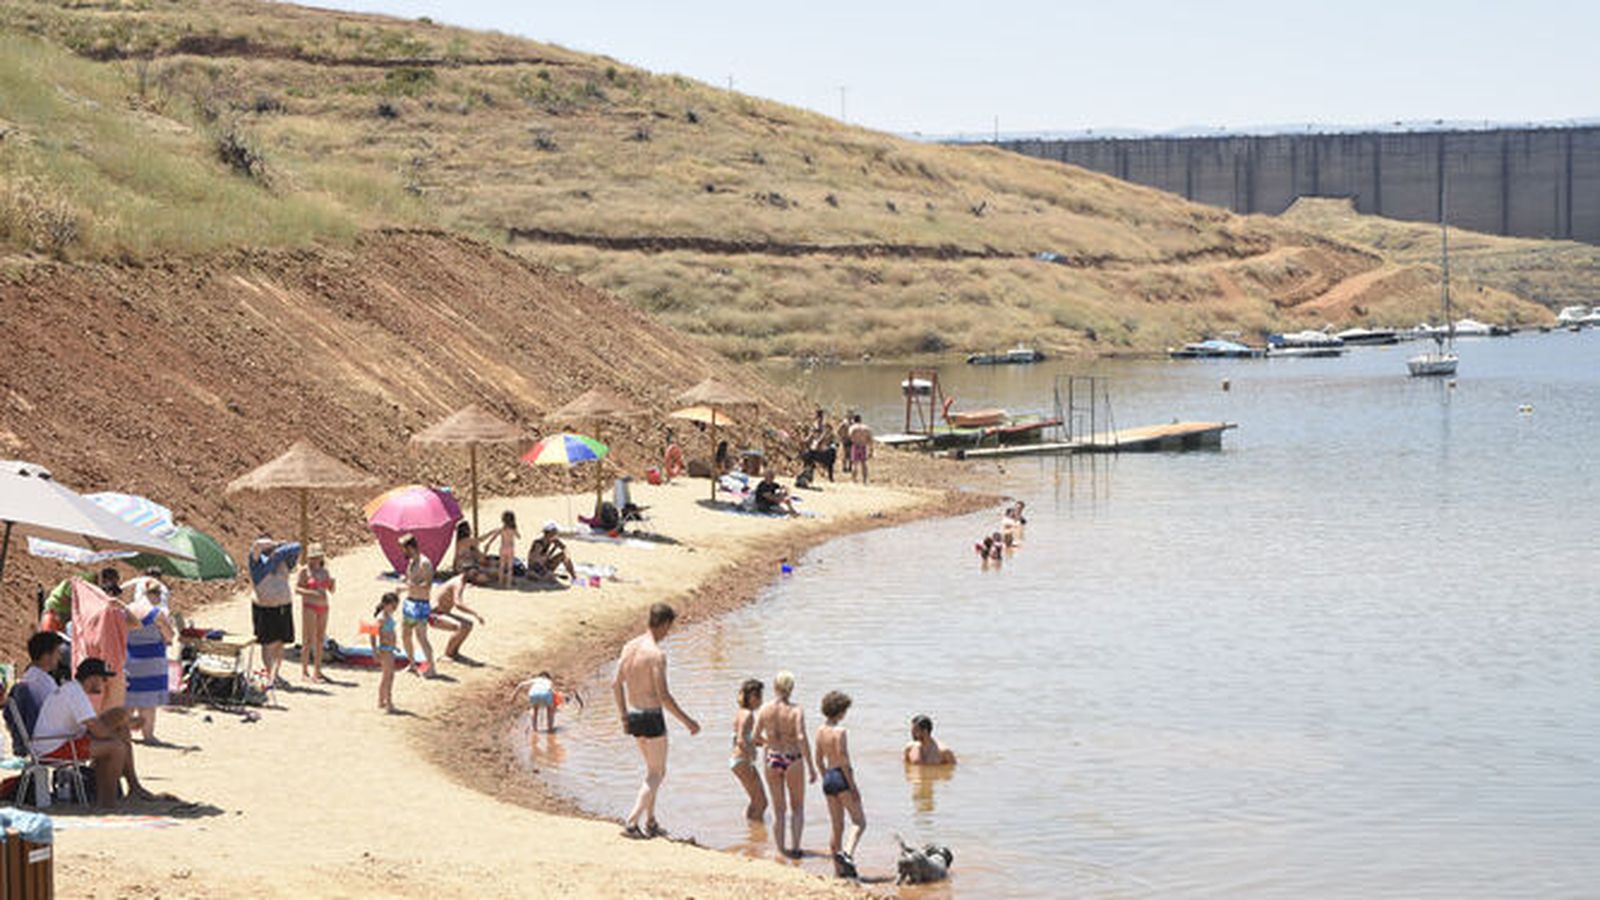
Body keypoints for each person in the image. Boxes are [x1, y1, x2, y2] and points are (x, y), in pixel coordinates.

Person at [611, 603, 700, 839]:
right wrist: (688, 721)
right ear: (664, 624)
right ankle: (632, 822)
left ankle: (650, 821)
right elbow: (664, 696)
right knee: (656, 773)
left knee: (654, 769)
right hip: (651, 717)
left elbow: (616, 683)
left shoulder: (630, 647)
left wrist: (623, 716)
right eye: (669, 628)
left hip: (633, 714)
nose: (668, 634)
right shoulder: (656, 655)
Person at [33, 658, 158, 809]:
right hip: (54, 747)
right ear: (92, 678)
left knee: (119, 719)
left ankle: (134, 787)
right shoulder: (75, 693)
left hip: (59, 741)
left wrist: (124, 725)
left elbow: (95, 725)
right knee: (117, 748)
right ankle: (107, 802)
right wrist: (120, 738)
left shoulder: (73, 689)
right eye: (103, 679)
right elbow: (98, 730)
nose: (105, 683)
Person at [754, 671, 816, 859]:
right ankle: (796, 848)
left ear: (775, 687)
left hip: (773, 758)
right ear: (791, 688)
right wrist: (812, 766)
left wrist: (769, 744)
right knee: (797, 807)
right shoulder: (796, 710)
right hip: (793, 757)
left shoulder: (765, 709)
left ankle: (781, 850)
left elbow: (755, 736)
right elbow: (801, 736)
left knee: (778, 809)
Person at [816, 690, 866, 878]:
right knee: (859, 821)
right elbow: (844, 759)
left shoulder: (820, 730)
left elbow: (818, 760)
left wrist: (825, 778)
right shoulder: (840, 731)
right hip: (840, 776)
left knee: (837, 826)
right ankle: (847, 853)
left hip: (828, 777)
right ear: (840, 711)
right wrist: (852, 786)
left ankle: (838, 873)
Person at [124, 579, 175, 743]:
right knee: (148, 702)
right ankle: (148, 735)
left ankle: (125, 733)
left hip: (129, 658)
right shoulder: (157, 613)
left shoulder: (127, 610)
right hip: (151, 660)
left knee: (129, 700)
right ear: (156, 594)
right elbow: (170, 636)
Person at [247, 535, 301, 687]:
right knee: (268, 643)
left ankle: (276, 674)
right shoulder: (258, 564)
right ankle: (269, 673)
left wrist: (278, 550)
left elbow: (297, 546)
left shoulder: (283, 560)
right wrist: (274, 545)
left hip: (283, 606)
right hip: (265, 608)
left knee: (280, 643)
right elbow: (256, 545)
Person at [295, 543, 335, 683]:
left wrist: (331, 583)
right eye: (313, 557)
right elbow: (297, 589)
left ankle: (317, 671)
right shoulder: (304, 571)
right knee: (307, 639)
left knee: (319, 640)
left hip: (323, 606)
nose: (315, 560)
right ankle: (304, 671)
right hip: (309, 606)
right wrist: (312, 593)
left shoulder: (325, 571)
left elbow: (331, 590)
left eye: (318, 557)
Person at [729, 678, 768, 822]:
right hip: (743, 761)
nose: (761, 700)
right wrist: (750, 755)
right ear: (752, 697)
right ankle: (756, 832)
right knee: (761, 802)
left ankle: (752, 831)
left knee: (756, 801)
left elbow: (746, 737)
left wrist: (763, 743)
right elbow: (740, 740)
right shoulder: (748, 715)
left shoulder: (741, 712)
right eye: (760, 696)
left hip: (738, 761)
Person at [398, 533, 436, 677]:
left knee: (421, 637)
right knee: (405, 635)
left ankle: (432, 667)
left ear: (410, 547)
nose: (402, 552)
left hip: (420, 604)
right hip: (410, 603)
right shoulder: (411, 563)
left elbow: (427, 585)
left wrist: (408, 585)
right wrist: (406, 582)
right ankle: (412, 664)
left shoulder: (424, 563)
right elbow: (411, 581)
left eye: (404, 548)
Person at [428, 573, 485, 661]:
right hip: (434, 616)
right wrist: (475, 614)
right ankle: (447, 654)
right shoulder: (458, 583)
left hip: (441, 614)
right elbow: (458, 604)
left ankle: (454, 653)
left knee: (468, 625)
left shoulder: (459, 580)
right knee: (461, 627)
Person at [513, 671, 578, 732]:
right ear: (547, 677)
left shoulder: (536, 680)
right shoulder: (548, 681)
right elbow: (553, 692)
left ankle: (535, 729)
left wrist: (514, 696)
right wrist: (563, 698)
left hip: (533, 694)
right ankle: (550, 728)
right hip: (546, 694)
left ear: (540, 676)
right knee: (550, 710)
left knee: (534, 709)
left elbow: (521, 684)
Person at [369, 592, 400, 712]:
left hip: (389, 649)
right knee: (389, 677)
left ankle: (381, 700)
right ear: (386, 605)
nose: (395, 609)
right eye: (393, 606)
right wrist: (374, 650)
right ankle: (389, 702)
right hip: (385, 650)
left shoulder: (388, 616)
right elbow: (372, 633)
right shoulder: (381, 618)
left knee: (386, 676)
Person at [451, 521, 496, 587]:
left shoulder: (465, 542)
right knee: (485, 577)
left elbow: (479, 556)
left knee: (492, 571)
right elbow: (480, 540)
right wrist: (492, 532)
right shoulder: (465, 541)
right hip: (463, 568)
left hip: (467, 566)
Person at [847, 415, 874, 484]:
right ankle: (864, 480)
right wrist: (871, 449)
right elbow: (870, 439)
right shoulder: (866, 428)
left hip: (856, 445)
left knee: (854, 464)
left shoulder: (853, 428)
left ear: (854, 420)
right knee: (864, 464)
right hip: (863, 446)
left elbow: (850, 436)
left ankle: (854, 480)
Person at [497, 510, 520, 587]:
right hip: (510, 548)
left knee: (502, 566)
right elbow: (518, 536)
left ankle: (500, 582)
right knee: (510, 567)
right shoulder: (513, 529)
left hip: (502, 547)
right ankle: (508, 583)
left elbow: (495, 536)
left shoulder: (502, 529)